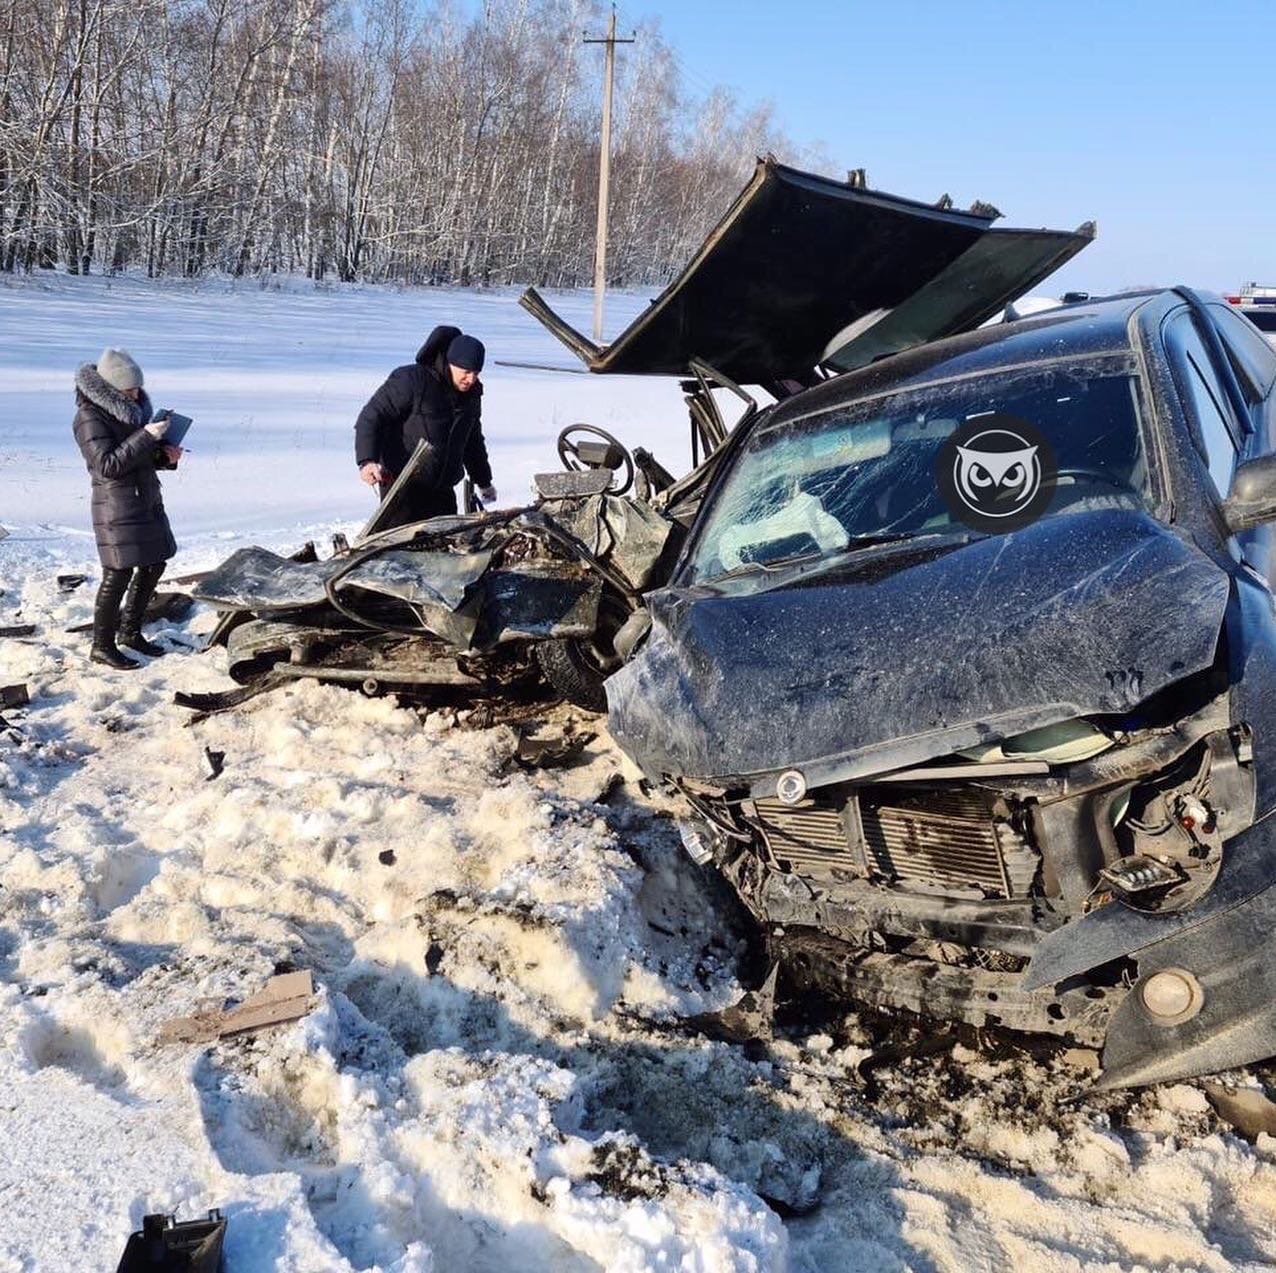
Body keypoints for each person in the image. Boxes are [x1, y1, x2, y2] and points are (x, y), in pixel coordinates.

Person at [72, 348, 183, 669]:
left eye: (136, 389)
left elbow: (136, 458)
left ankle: (130, 633)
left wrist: (165, 456)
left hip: (144, 499)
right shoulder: (88, 418)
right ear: (109, 389)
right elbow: (107, 465)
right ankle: (101, 645)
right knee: (117, 574)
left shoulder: (131, 413)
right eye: (128, 390)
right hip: (116, 507)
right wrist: (147, 437)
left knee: (154, 564)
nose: (135, 395)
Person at [354, 325, 496, 527]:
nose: (471, 379)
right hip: (402, 489)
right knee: (401, 552)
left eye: (476, 372)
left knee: (446, 547)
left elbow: (472, 441)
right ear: (450, 363)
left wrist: (484, 481)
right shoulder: (412, 381)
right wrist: (367, 460)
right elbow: (372, 417)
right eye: (465, 372)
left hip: (443, 490)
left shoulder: (471, 396)